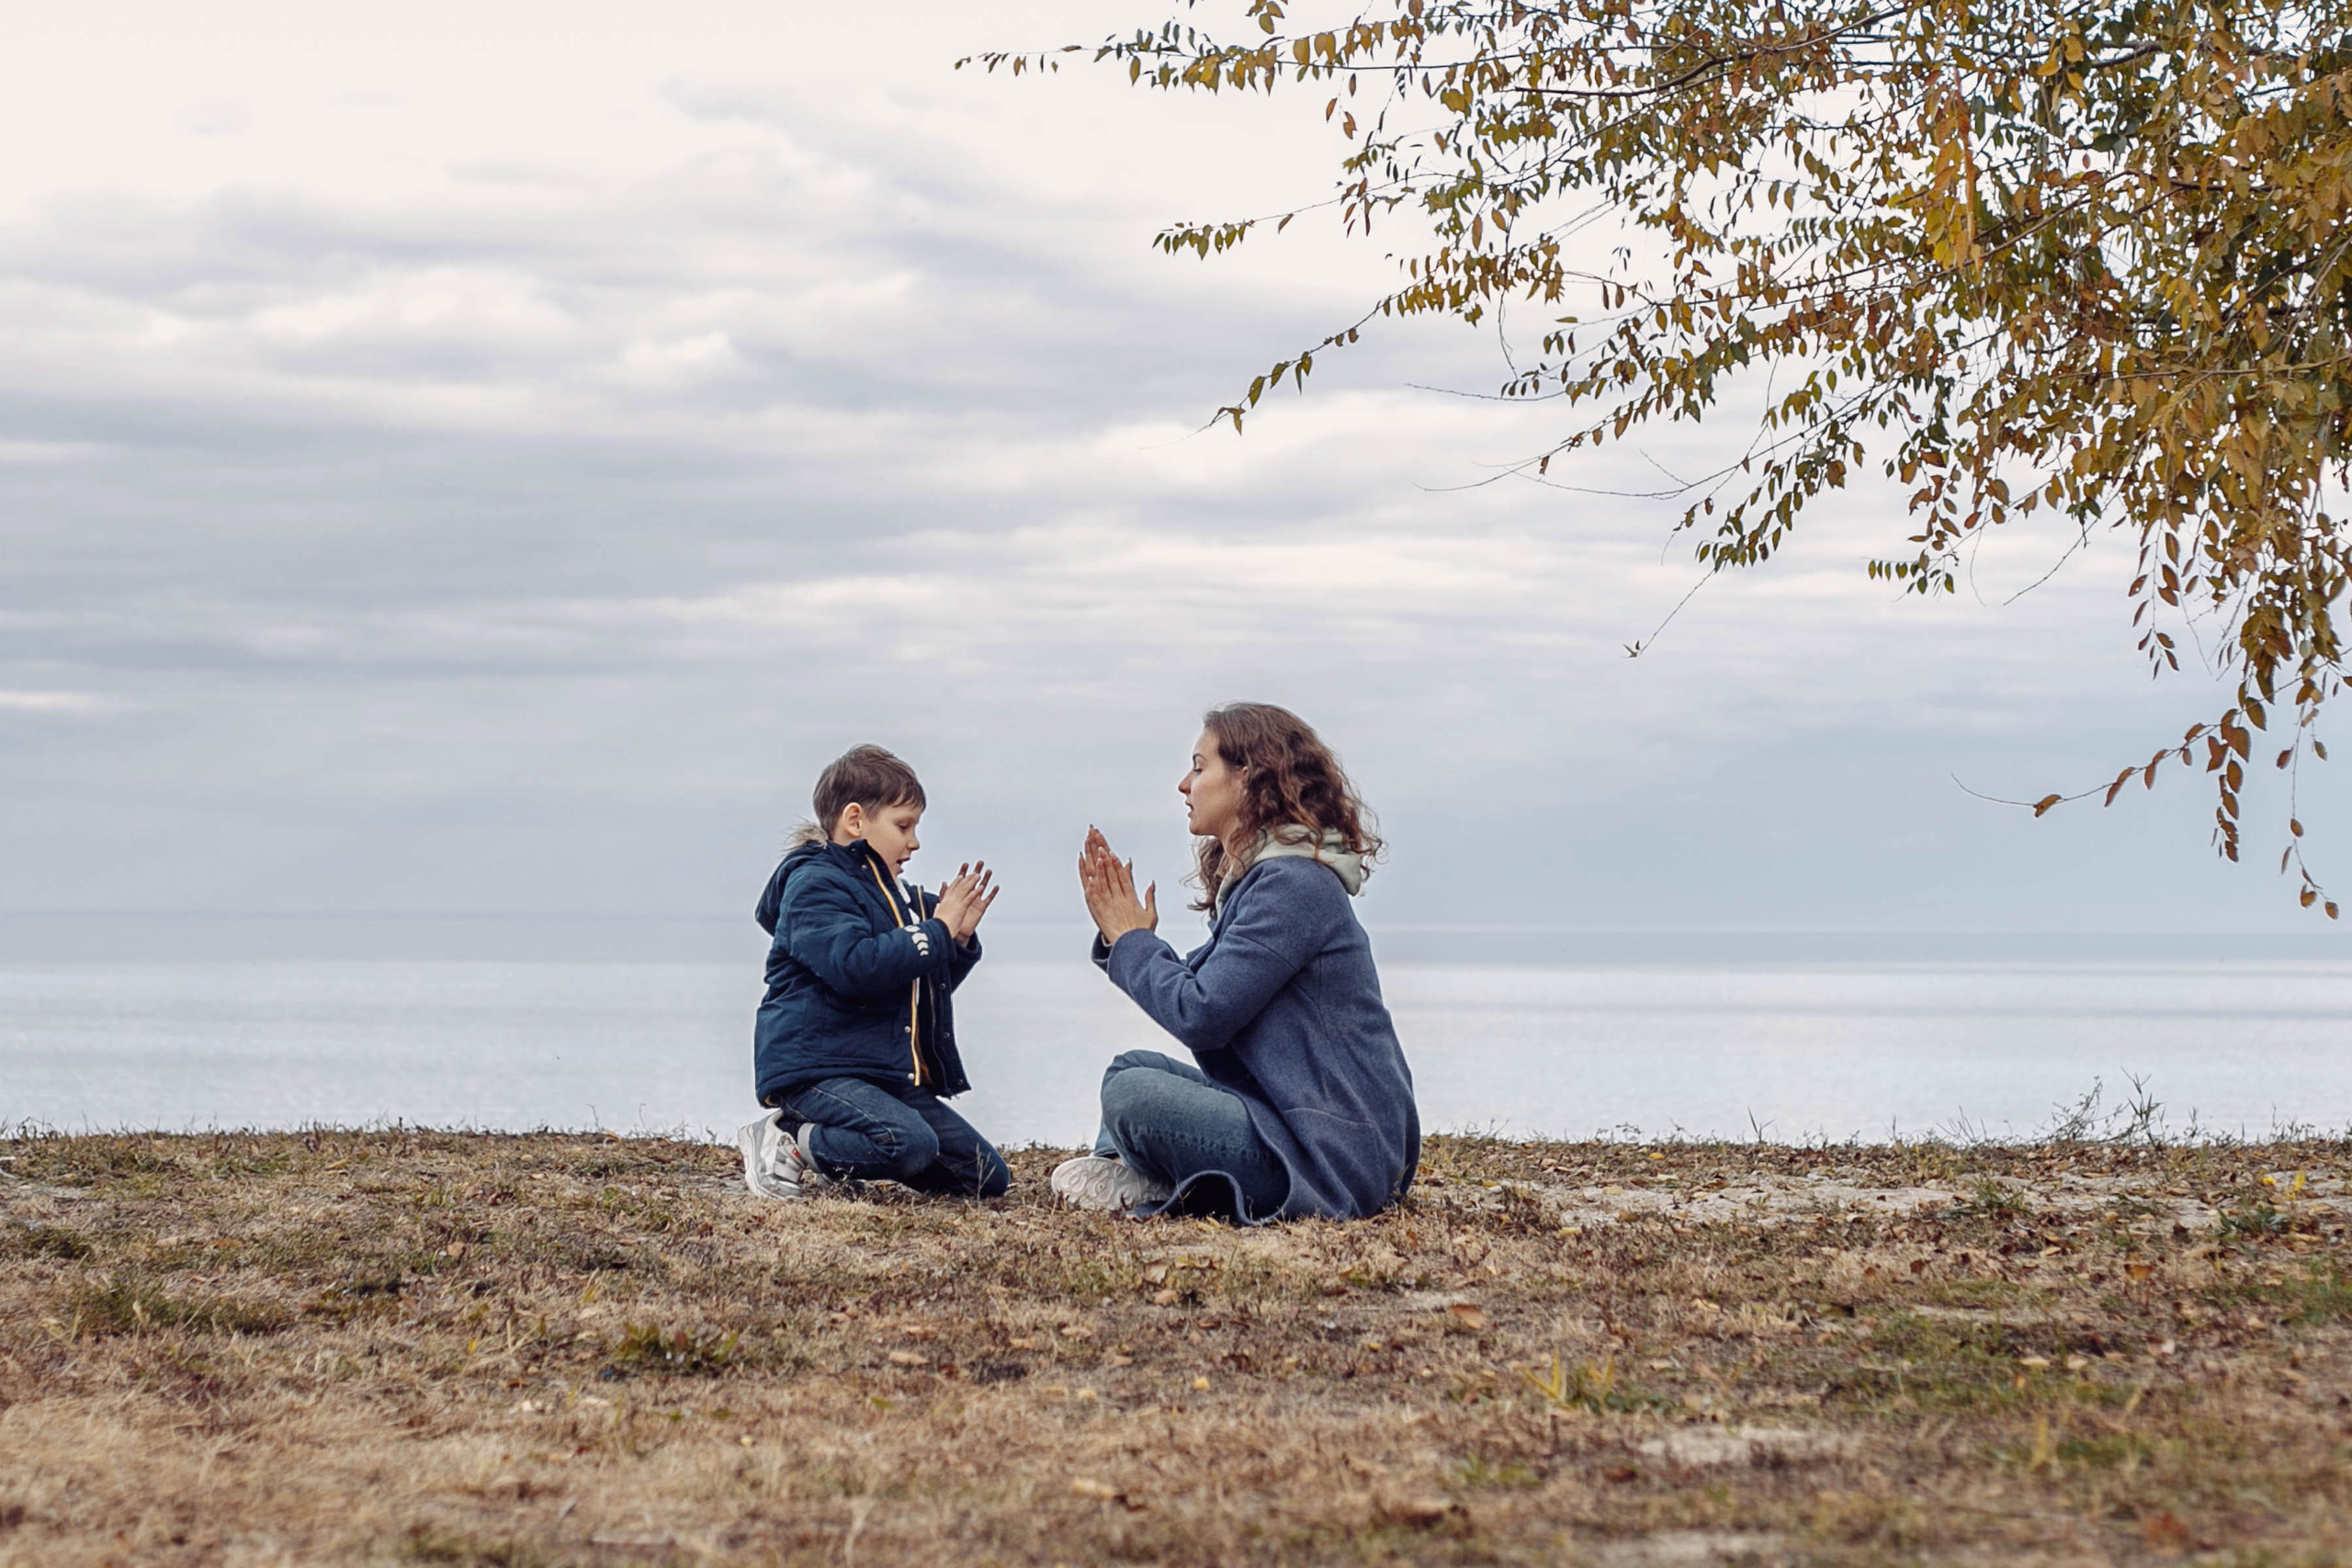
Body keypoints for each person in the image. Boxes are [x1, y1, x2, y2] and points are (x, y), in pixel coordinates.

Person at [1053, 703, 1419, 1223]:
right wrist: (1129, 940)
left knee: (1135, 1095)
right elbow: (1203, 993)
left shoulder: (1294, 885)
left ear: (1250, 777)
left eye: (1200, 767)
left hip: (1331, 1159)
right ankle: (1133, 1169)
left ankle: (1155, 1176)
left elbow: (1201, 1015)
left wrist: (1132, 940)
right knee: (1131, 1068)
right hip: (1292, 1124)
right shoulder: (1266, 883)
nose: (1185, 784)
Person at [737, 744, 1008, 1201]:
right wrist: (937, 930)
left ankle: (834, 1155)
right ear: (856, 820)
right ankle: (790, 1139)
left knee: (984, 1177)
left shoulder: (899, 898)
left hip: (879, 1075)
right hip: (818, 1072)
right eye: (903, 826)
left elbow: (913, 988)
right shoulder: (814, 884)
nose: (914, 842)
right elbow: (856, 968)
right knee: (908, 1143)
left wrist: (956, 942)